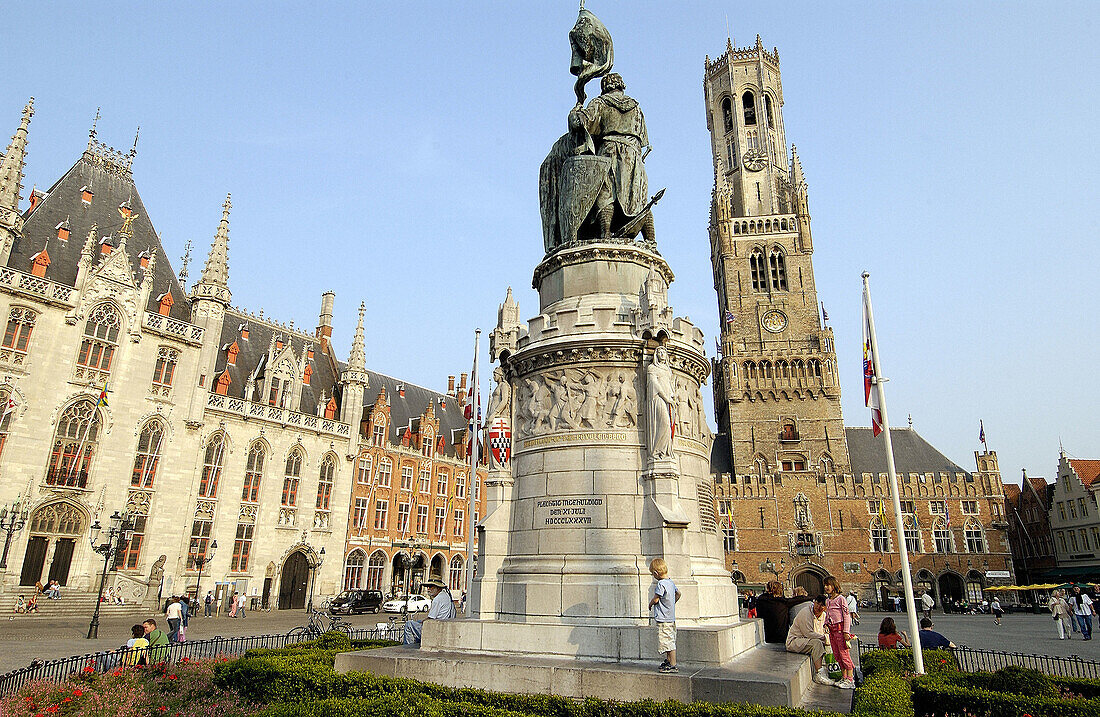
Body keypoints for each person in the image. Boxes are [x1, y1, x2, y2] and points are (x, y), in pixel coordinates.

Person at [786, 595, 834, 685]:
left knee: (828, 643)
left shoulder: (823, 615)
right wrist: (825, 638)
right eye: (817, 603)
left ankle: (830, 668)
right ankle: (819, 673)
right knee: (817, 643)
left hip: (807, 640)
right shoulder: (806, 612)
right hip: (796, 641)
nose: (818, 607)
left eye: (822, 605)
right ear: (814, 602)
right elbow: (808, 633)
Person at [648, 558, 681, 673]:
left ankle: (673, 664)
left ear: (656, 573)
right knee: (669, 639)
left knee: (668, 642)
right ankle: (668, 661)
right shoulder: (670, 582)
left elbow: (656, 599)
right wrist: (671, 602)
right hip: (670, 617)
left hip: (663, 618)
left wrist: (650, 604)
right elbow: (678, 594)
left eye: (653, 574)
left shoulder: (661, 584)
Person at [402, 578, 456, 647]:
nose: (428, 589)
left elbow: (431, 618)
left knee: (409, 624)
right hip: (443, 625)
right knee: (417, 622)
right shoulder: (447, 596)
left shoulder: (437, 599)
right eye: (428, 587)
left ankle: (408, 647)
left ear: (438, 588)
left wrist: (422, 621)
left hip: (435, 628)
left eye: (431, 587)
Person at [823, 576, 855, 690]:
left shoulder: (841, 599)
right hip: (832, 631)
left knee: (844, 654)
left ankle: (850, 679)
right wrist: (826, 623)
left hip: (840, 630)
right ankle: (844, 676)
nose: (826, 587)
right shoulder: (828, 601)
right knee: (837, 655)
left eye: (828, 585)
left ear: (834, 586)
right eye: (825, 585)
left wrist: (846, 631)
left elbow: (846, 615)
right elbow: (827, 615)